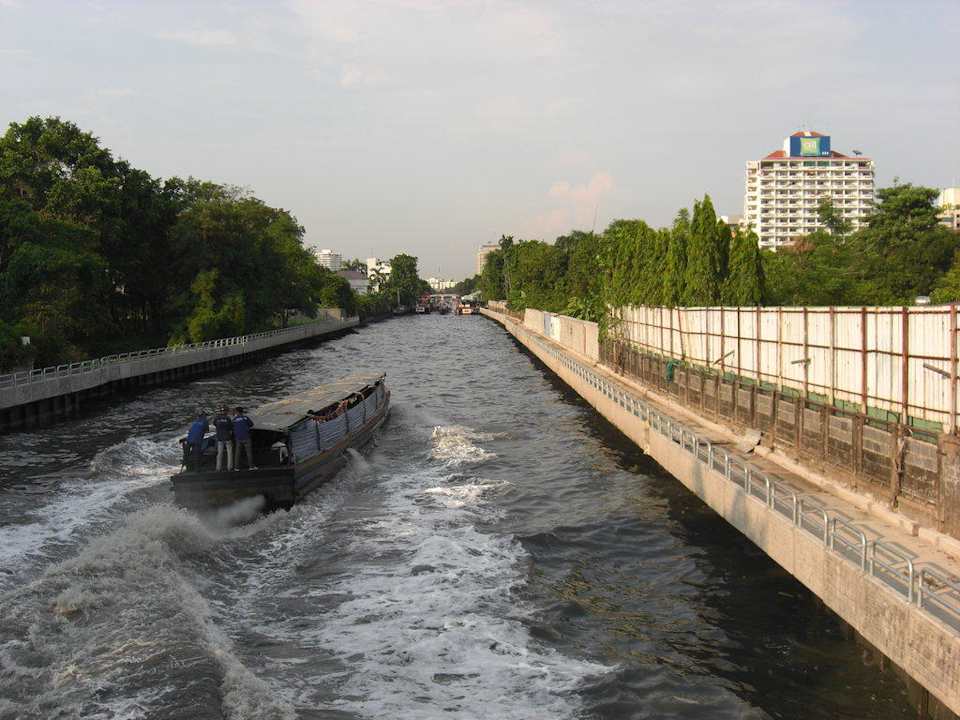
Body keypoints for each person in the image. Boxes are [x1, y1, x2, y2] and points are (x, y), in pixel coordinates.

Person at [233, 406, 256, 470]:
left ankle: (236, 467)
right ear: (242, 411)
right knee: (249, 453)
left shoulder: (234, 419)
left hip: (238, 438)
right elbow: (251, 424)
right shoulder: (245, 418)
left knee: (237, 453)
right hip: (246, 437)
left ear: (237, 412)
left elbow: (232, 427)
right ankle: (251, 467)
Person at [213, 405, 234, 471]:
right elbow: (231, 427)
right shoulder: (228, 418)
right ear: (226, 411)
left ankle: (218, 468)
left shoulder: (216, 418)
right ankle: (229, 467)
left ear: (220, 411)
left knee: (219, 453)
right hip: (227, 437)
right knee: (229, 453)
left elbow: (215, 424)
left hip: (219, 438)